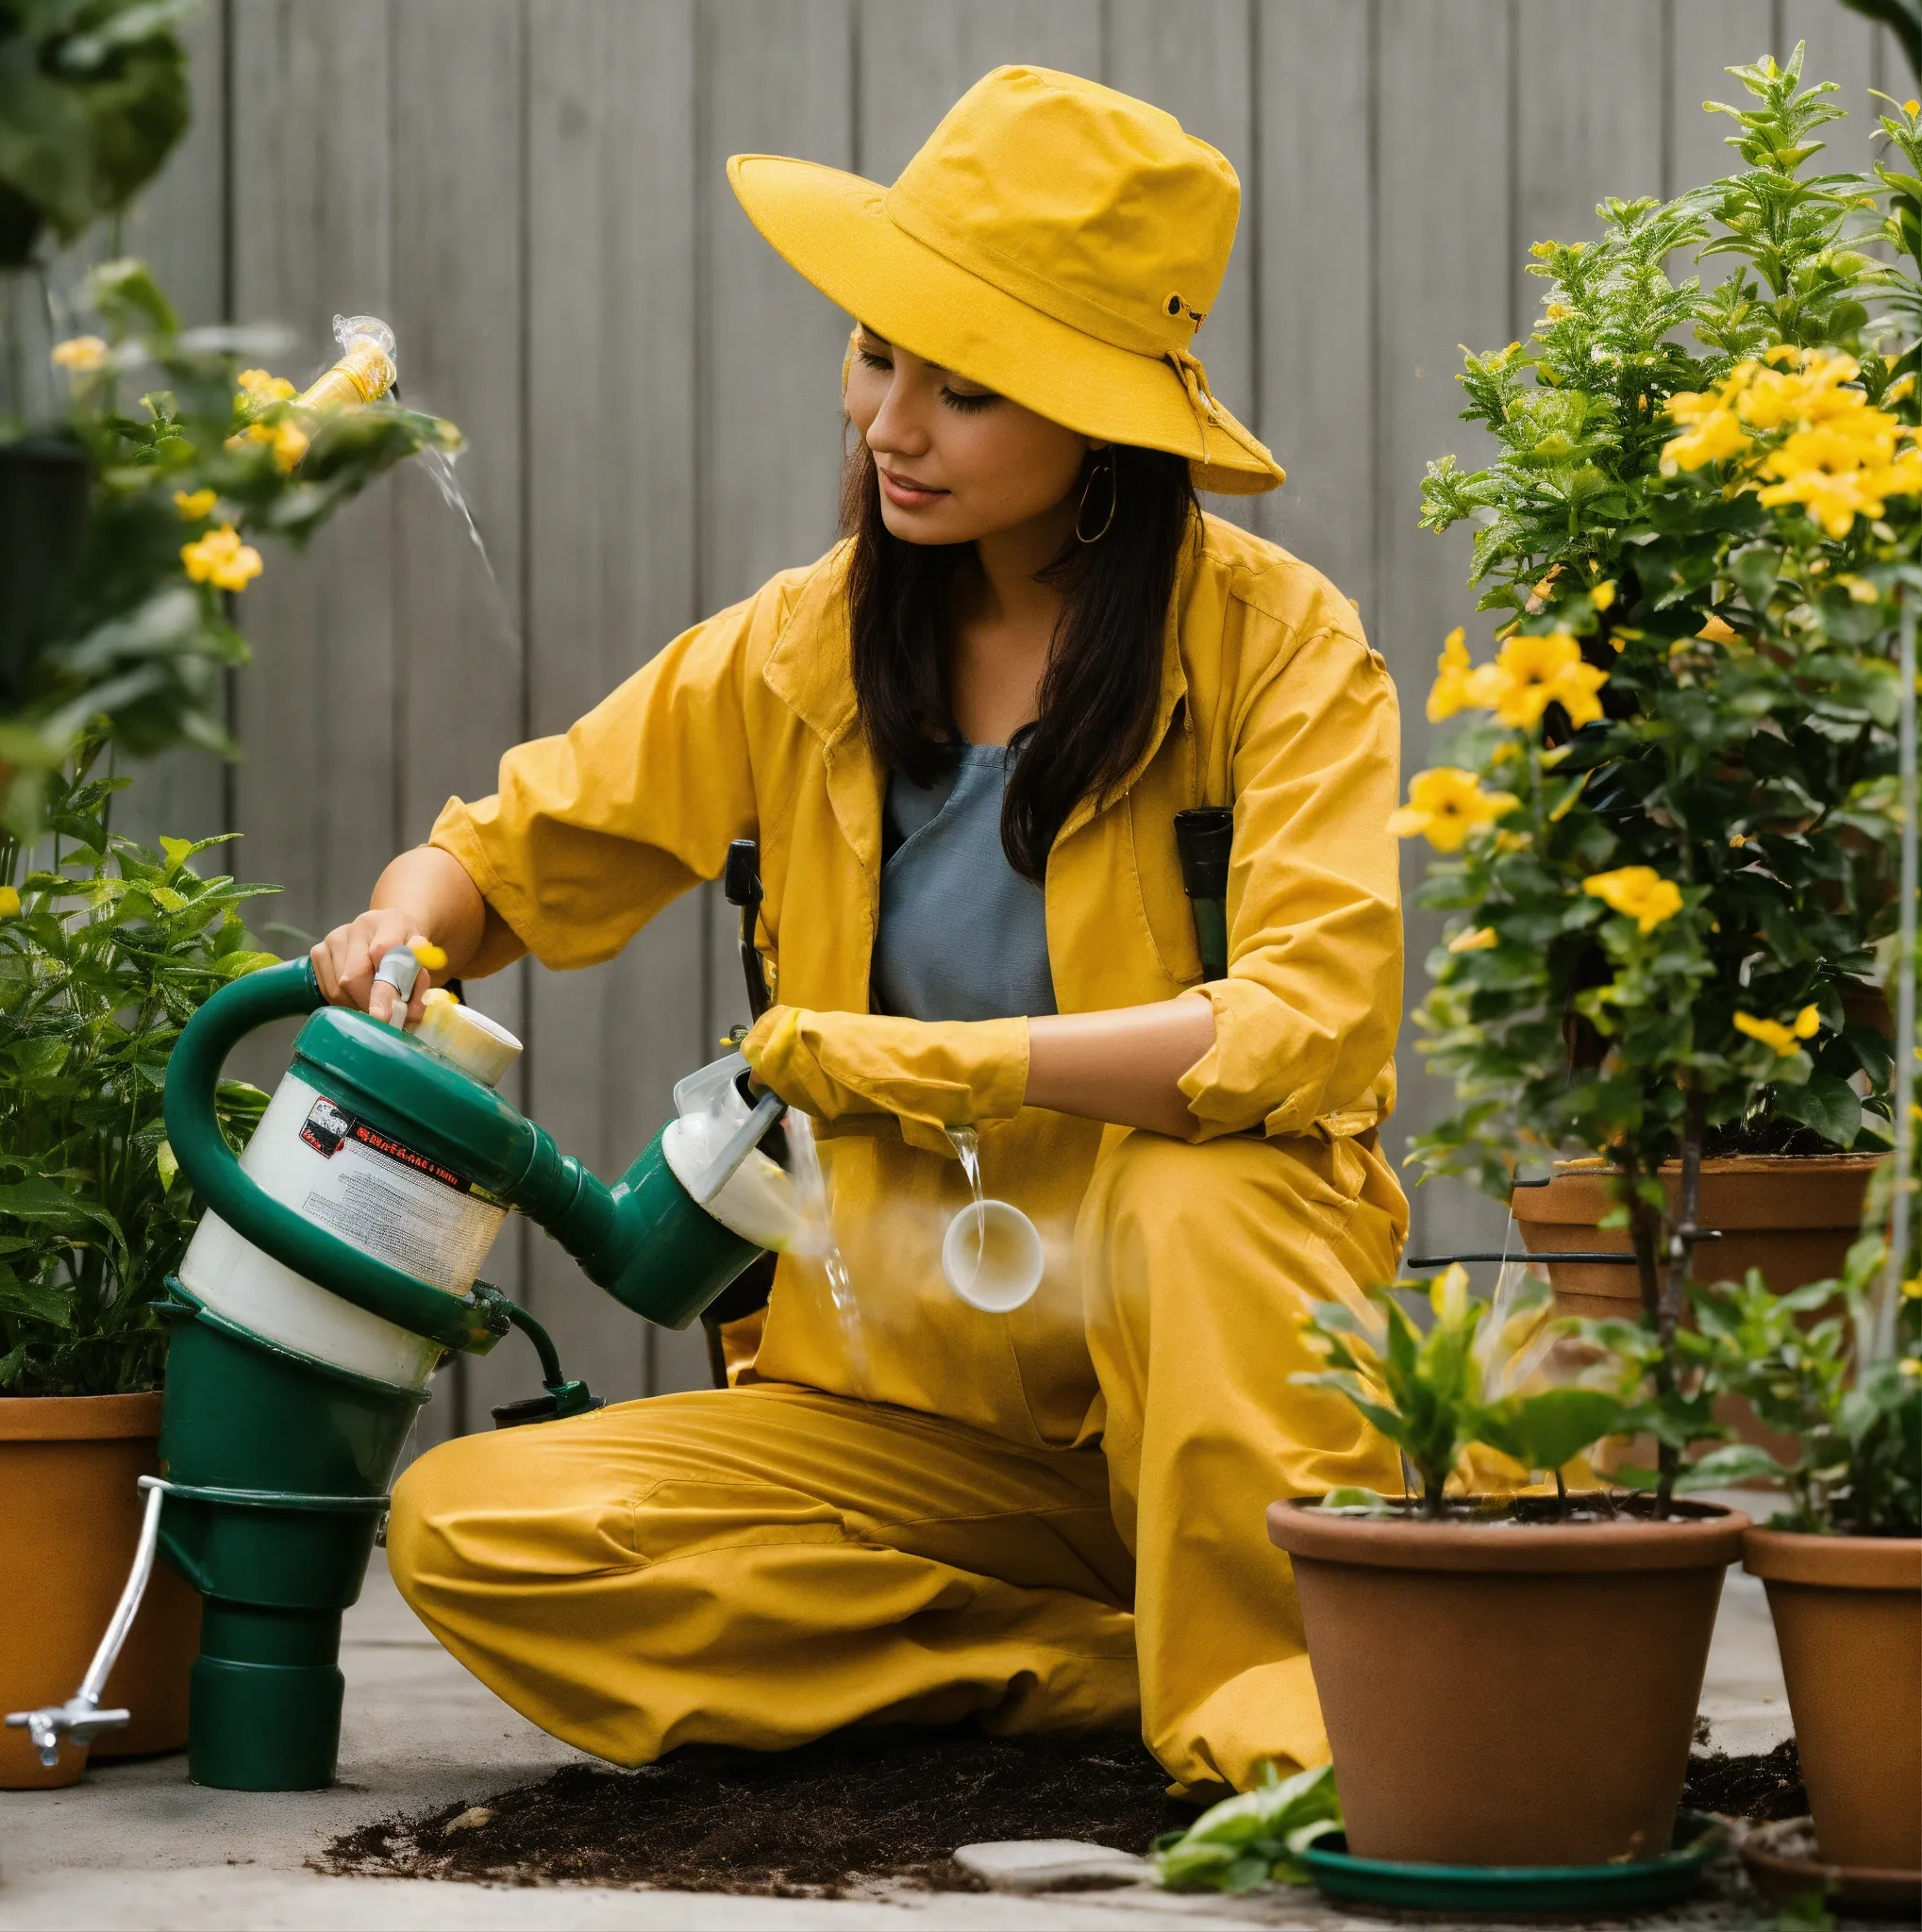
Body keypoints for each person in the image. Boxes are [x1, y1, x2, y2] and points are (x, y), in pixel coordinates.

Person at [324, 66, 1405, 1799]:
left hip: (1215, 1391)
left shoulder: (1280, 650)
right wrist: (402, 928)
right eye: (878, 355)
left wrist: (956, 1068)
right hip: (906, 1414)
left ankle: (1279, 1704)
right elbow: (515, 848)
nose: (892, 425)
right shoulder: (799, 645)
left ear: (1102, 419)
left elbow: (1314, 1021)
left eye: (967, 389)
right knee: (474, 1526)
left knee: (1209, 1182)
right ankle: (1101, 1675)